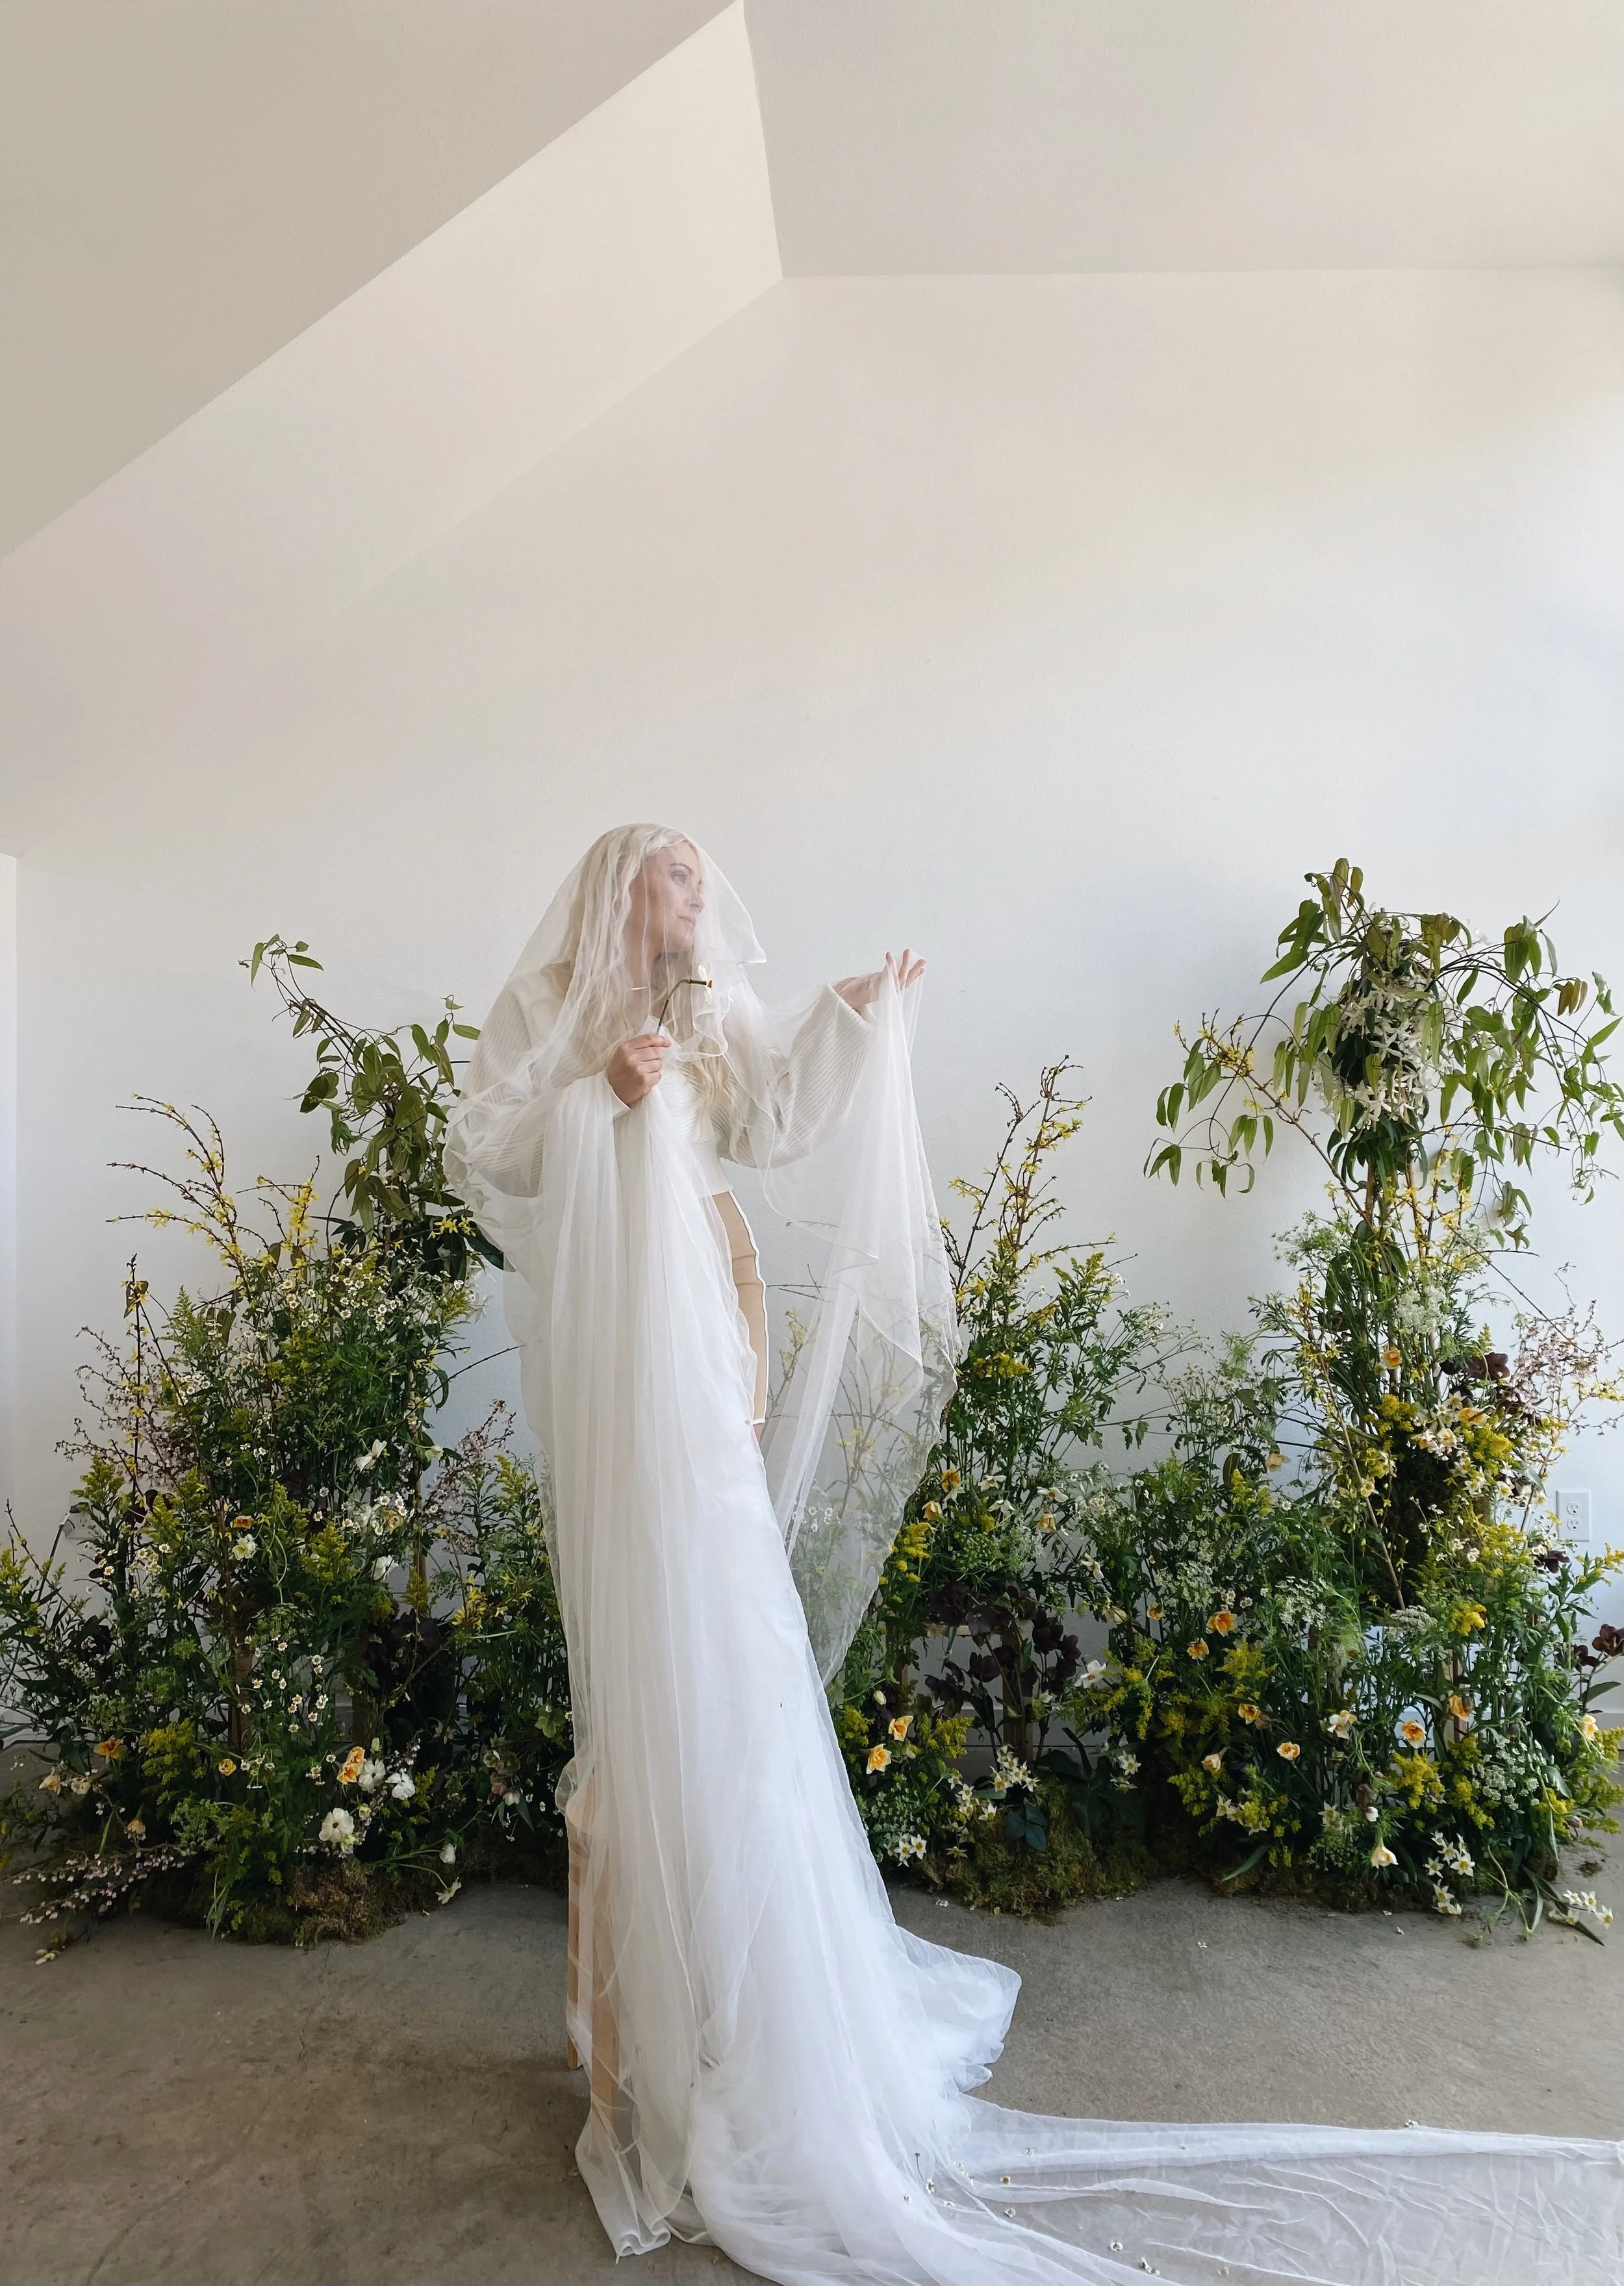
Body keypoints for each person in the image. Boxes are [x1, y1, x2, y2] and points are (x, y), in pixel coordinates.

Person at [444, 824, 1620, 2286]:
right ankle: (665, 2010)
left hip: (700, 1353)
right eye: (682, 880)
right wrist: (589, 1094)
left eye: (702, 882)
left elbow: (762, 1121)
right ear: (625, 887)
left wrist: (852, 1020)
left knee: (720, 1642)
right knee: (647, 1644)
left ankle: (748, 2011)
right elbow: (486, 1148)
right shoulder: (553, 1001)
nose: (706, 905)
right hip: (622, 1367)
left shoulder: (702, 1013)